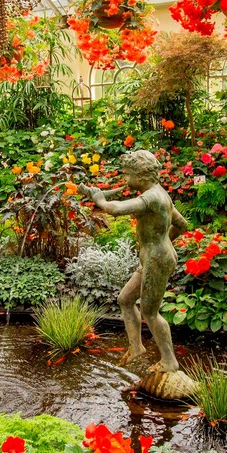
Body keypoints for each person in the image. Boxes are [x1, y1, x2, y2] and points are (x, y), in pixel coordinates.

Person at [78, 150, 188, 373]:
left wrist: (99, 199)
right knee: (125, 299)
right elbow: (182, 224)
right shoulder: (160, 194)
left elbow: (116, 210)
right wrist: (165, 241)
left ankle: (169, 361)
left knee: (150, 312)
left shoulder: (151, 198)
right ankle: (136, 347)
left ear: (142, 174)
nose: (126, 180)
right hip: (154, 257)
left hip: (157, 259)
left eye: (128, 175)